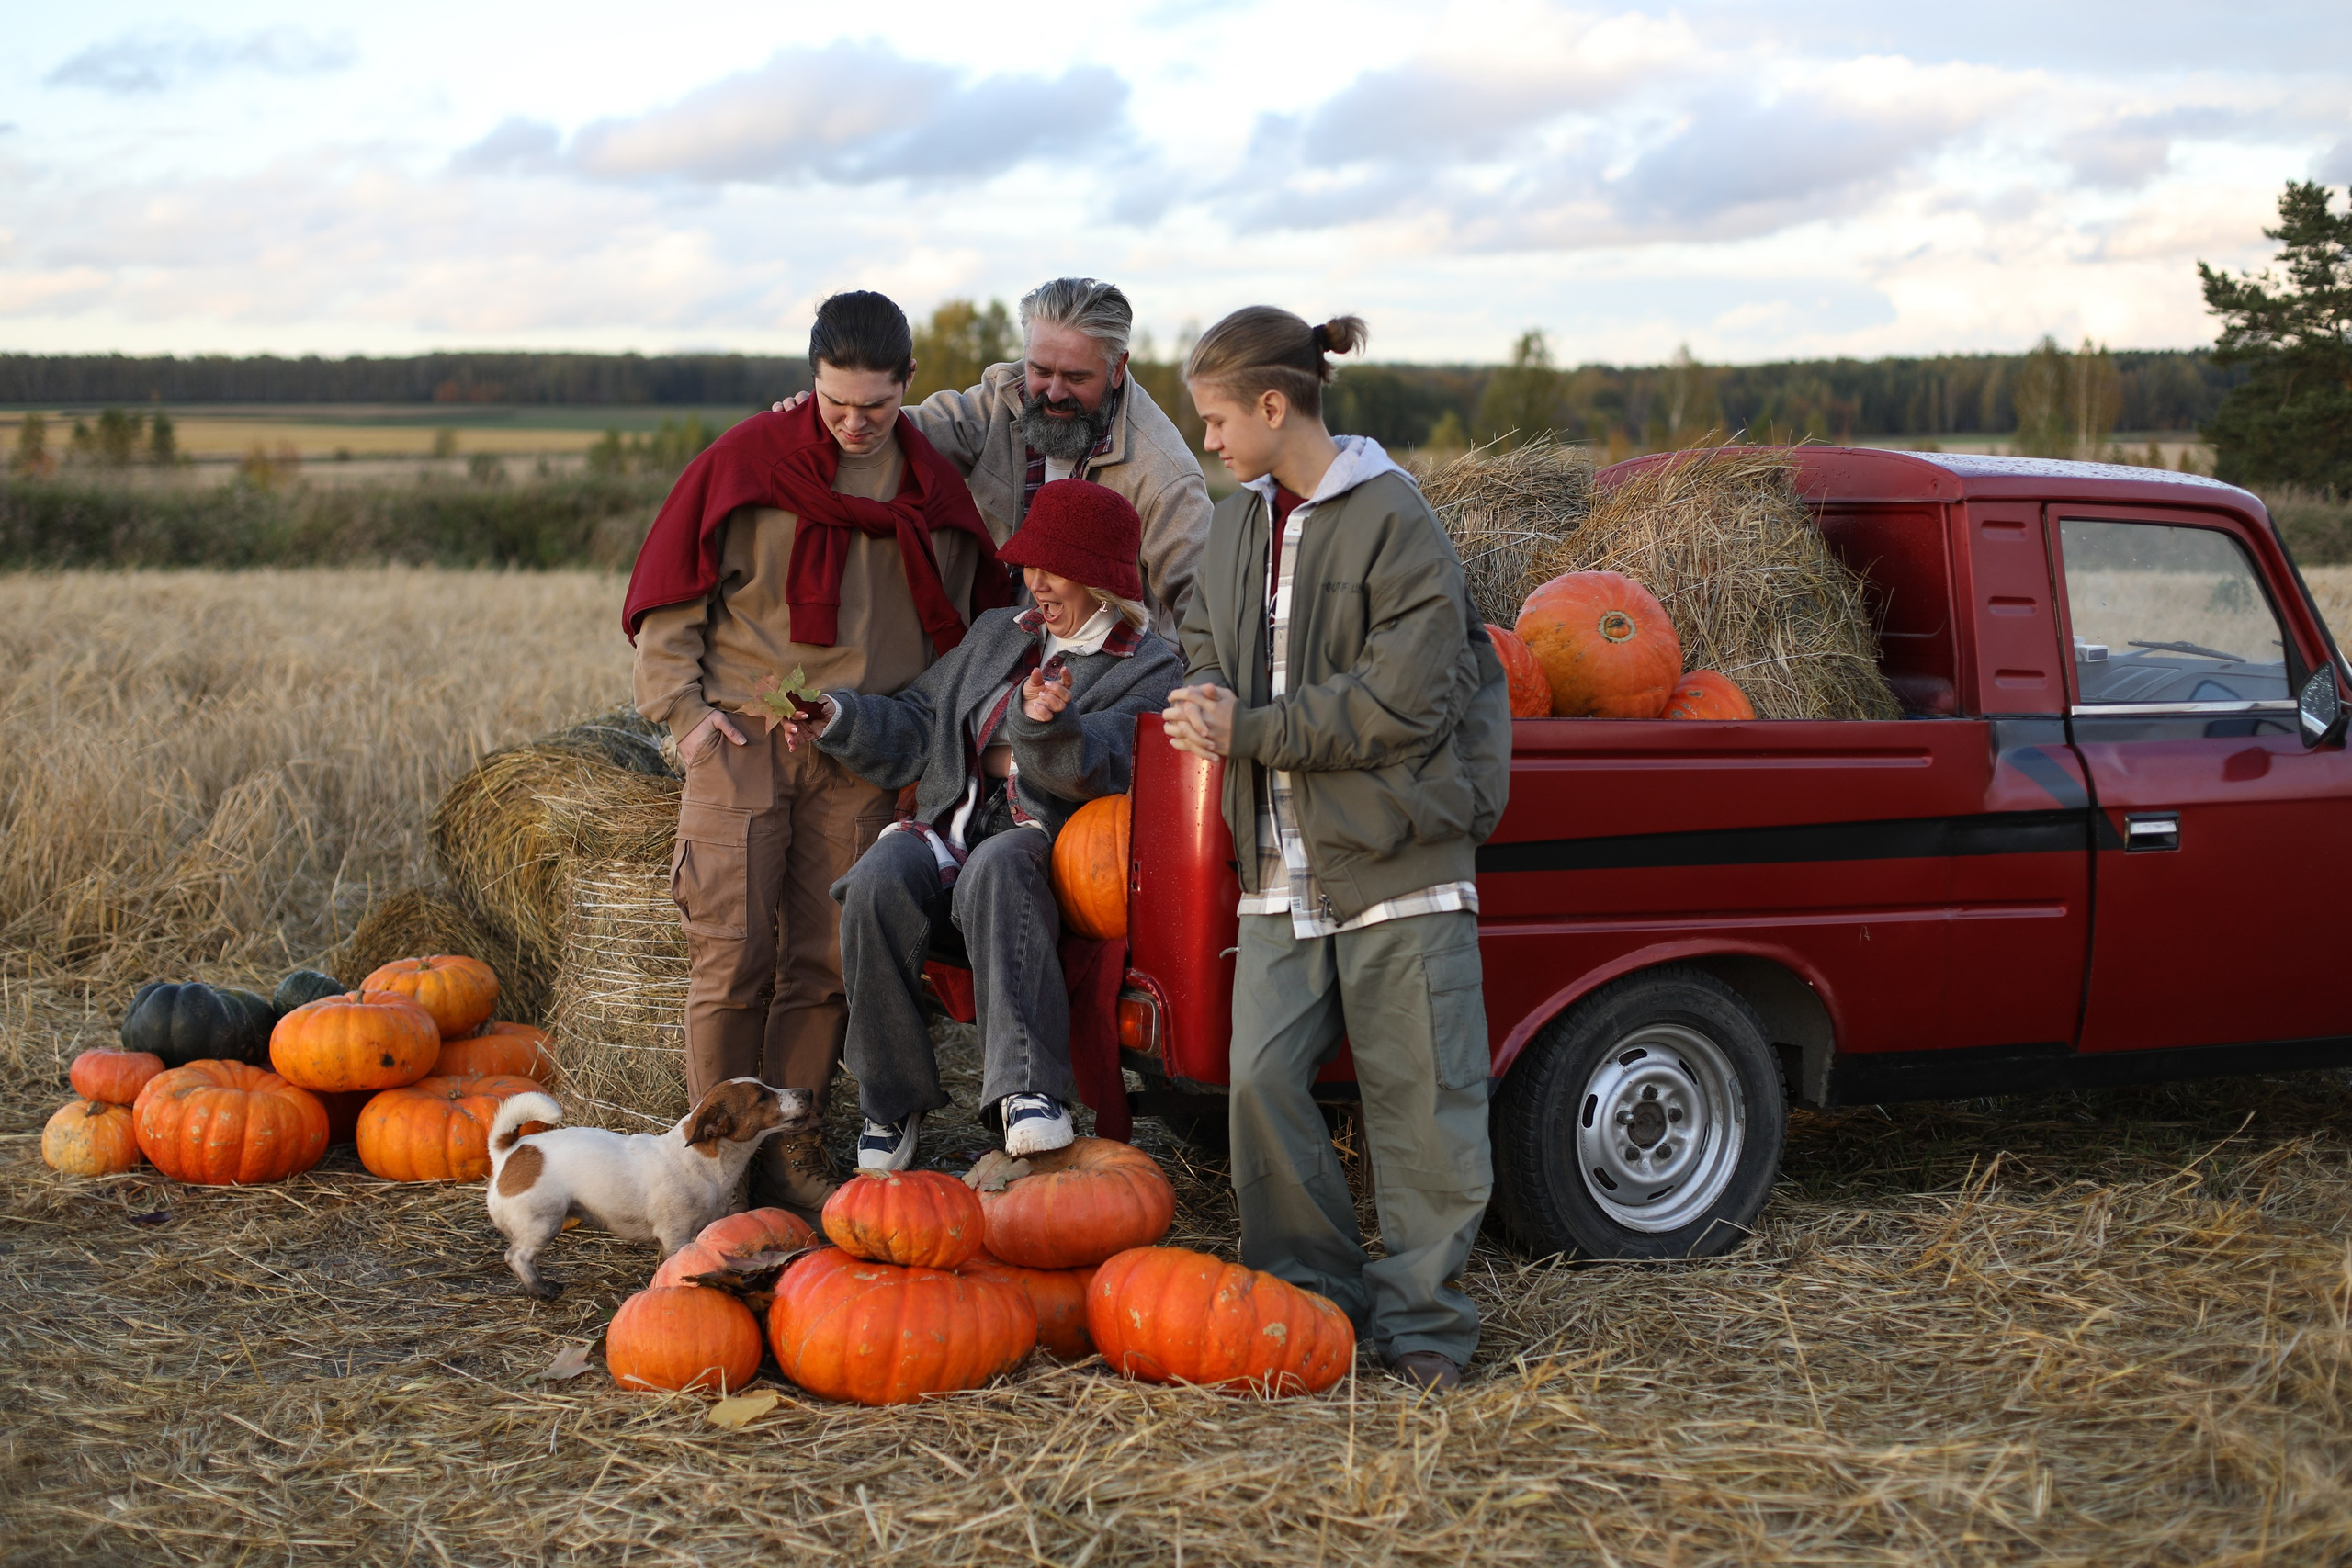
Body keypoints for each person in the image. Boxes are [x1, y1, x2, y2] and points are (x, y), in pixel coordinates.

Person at [1160, 308, 1510, 1393]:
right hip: (1279, 857)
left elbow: (1401, 702)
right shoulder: (1234, 526)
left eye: (1217, 420)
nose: (1208, 442)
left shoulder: (1395, 520)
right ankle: (1313, 1304)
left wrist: (1250, 731)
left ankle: (1428, 1331)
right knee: (1260, 1083)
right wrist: (1206, 692)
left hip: (1397, 850)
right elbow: (1206, 640)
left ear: (1275, 406)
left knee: (1421, 1102)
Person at [625, 290, 1007, 1216]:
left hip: (861, 747)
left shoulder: (929, 494)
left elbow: (967, 631)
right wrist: (682, 716)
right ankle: (709, 1167)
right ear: (812, 383)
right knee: (731, 950)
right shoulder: (747, 464)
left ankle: (792, 1155)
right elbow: (674, 606)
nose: (854, 422)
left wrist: (919, 733)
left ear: (908, 387)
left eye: (875, 405)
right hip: (746, 734)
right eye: (835, 403)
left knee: (824, 961)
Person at [792, 480, 1182, 1168]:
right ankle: (891, 1101)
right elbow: (920, 721)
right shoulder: (998, 634)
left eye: (1053, 567)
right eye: (1030, 563)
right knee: (875, 881)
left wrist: (1045, 728)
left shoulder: (1151, 668)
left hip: (1051, 851)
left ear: (1099, 576)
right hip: (951, 834)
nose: (1035, 581)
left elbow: (1105, 766)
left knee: (1000, 864)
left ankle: (1030, 1091)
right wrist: (838, 718)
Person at [785, 278, 1212, 638]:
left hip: (1098, 685)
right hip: (987, 653)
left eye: (1077, 377)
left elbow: (1204, 617)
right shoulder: (1002, 397)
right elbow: (903, 432)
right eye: (1041, 370)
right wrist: (818, 421)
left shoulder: (1164, 476)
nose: (1054, 392)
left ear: (1118, 369)